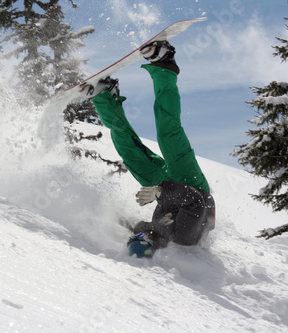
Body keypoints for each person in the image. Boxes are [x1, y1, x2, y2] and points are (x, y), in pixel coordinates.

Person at [83, 40, 216, 258]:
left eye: (138, 237)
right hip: (191, 185)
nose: (143, 235)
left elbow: (128, 224)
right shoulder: (184, 237)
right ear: (151, 245)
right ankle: (165, 66)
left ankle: (105, 97)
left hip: (163, 187)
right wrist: (161, 192)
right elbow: (194, 202)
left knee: (129, 151)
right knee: (168, 133)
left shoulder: (149, 229)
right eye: (143, 239)